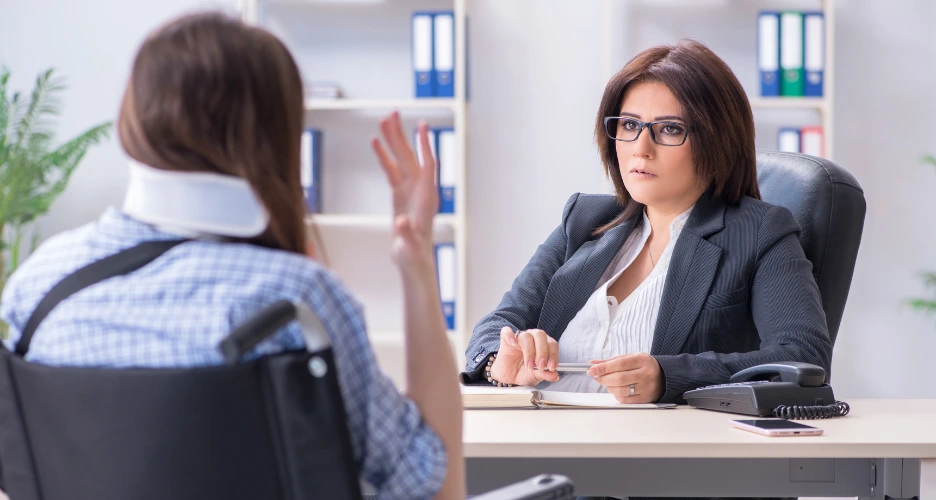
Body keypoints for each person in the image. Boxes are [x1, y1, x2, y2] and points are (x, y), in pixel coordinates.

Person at [0, 12, 464, 500]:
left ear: (132, 120)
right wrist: (416, 265)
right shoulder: (296, 306)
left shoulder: (37, 292)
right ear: (273, 139)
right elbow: (434, 490)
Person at [462, 40, 832, 405]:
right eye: (628, 125)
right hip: (537, 440)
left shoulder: (759, 232)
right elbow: (496, 328)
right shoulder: (584, 220)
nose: (641, 147)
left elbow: (802, 357)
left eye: (669, 129)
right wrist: (502, 364)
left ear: (717, 140)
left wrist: (669, 376)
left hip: (656, 455)